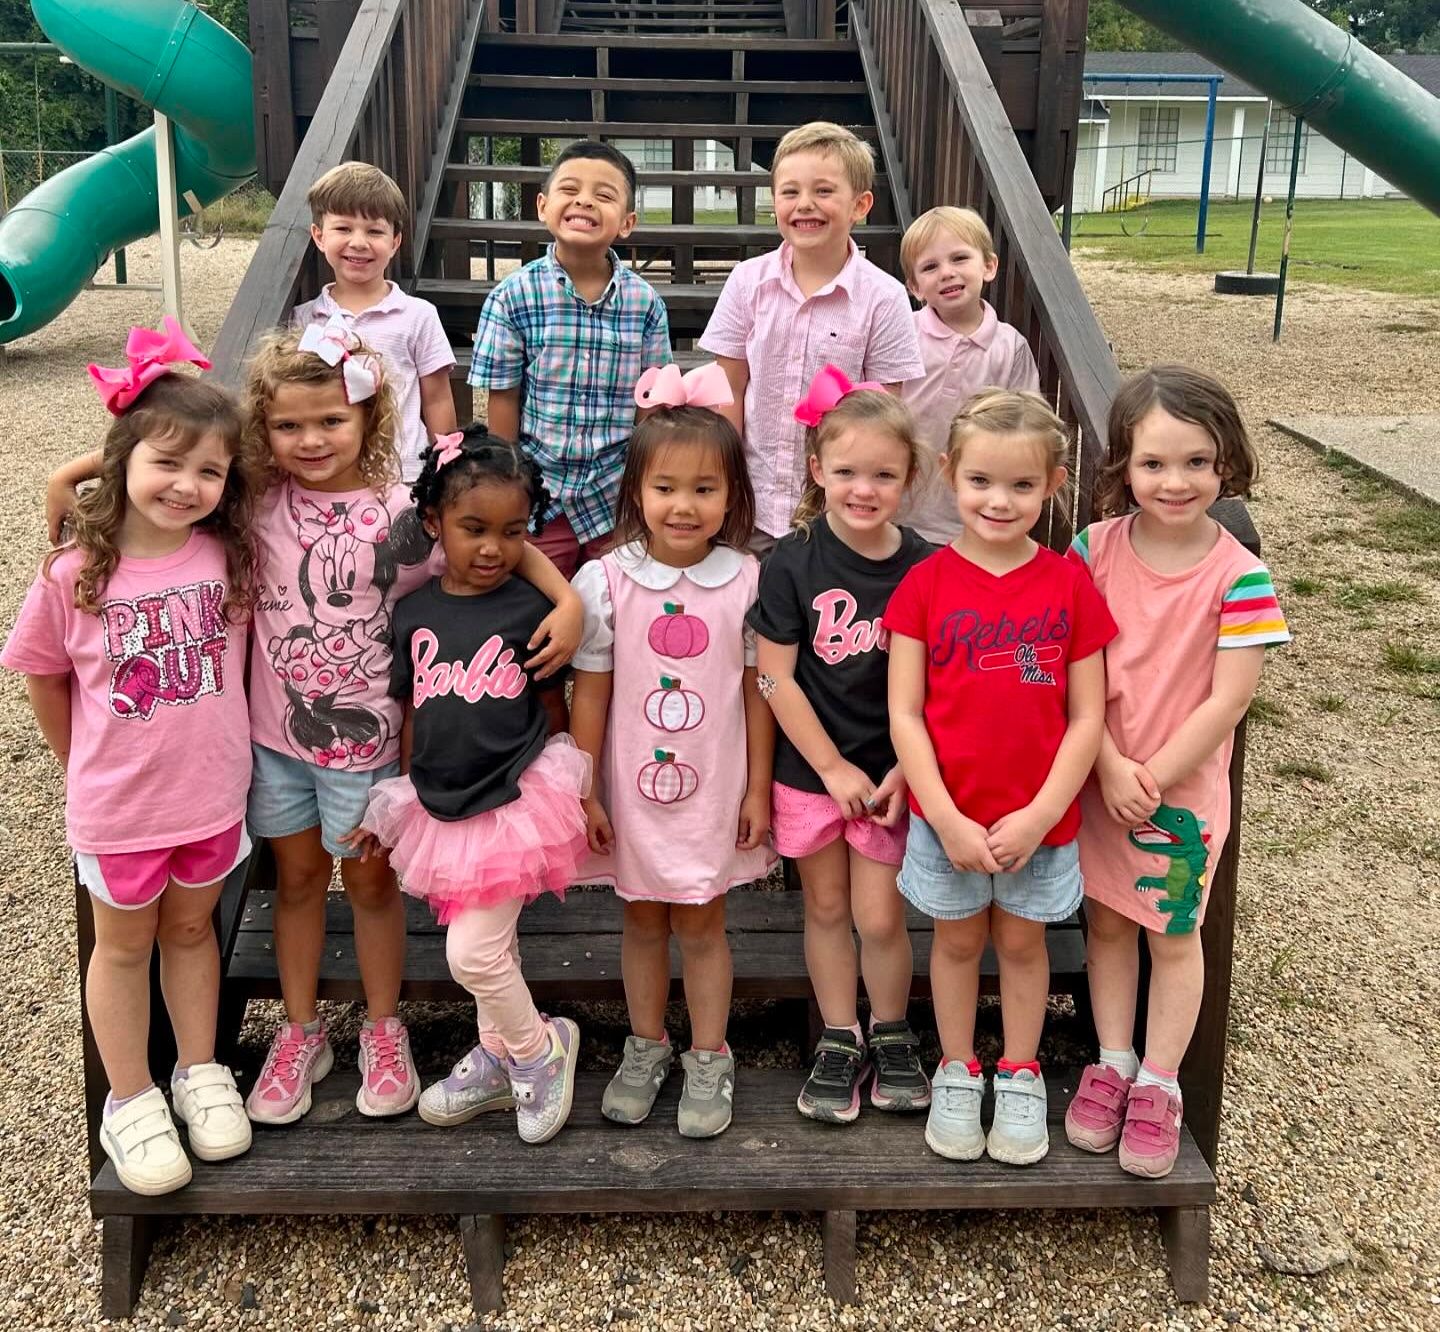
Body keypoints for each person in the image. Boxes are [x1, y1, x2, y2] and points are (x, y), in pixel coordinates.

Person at [3, 321, 258, 1194]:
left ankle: (197, 1067)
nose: (186, 484)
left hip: (213, 795)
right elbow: (40, 675)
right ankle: (130, 1096)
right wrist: (77, 760)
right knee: (121, 949)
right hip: (119, 806)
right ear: (123, 462)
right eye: (166, 462)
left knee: (192, 932)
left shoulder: (228, 556)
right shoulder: (74, 574)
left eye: (209, 470)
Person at [1064, 366, 1289, 1179]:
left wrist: (1149, 774)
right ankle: (1113, 1060)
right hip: (1098, 771)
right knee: (1109, 923)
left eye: (1196, 461)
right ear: (1122, 465)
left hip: (1180, 794)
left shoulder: (1240, 576)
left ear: (1226, 462)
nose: (1175, 480)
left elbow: (1228, 701)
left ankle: (1160, 1082)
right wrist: (1108, 764)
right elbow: (1069, 667)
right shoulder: (1091, 551)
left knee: (1175, 930)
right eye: (1155, 463)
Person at [885, 389, 1117, 1165]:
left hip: (1038, 823)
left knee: (1023, 948)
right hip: (945, 816)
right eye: (981, 480)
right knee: (953, 947)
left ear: (1053, 485)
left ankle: (1018, 1073)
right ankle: (957, 1068)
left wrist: (1043, 812)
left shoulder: (1068, 584)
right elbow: (906, 714)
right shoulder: (924, 585)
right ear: (950, 474)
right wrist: (945, 817)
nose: (999, 500)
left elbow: (1088, 717)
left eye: (1021, 485)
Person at [349, 428, 591, 1145]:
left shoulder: (527, 608)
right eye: (474, 529)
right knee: (494, 949)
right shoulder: (415, 613)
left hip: (517, 800)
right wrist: (392, 806)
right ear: (434, 524)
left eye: (513, 532)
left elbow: (552, 708)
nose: (493, 548)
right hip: (441, 804)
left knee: (472, 954)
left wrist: (568, 789)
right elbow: (415, 713)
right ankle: (497, 1053)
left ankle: (542, 1052)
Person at [569, 363, 776, 1139]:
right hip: (631, 790)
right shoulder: (606, 581)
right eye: (665, 488)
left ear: (731, 497)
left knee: (703, 923)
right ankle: (645, 1044)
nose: (683, 506)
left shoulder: (749, 581)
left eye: (703, 489)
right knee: (642, 922)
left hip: (714, 790)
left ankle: (709, 1053)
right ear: (637, 492)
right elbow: (590, 691)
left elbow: (760, 692)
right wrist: (583, 789)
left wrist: (758, 789)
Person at [748, 367, 934, 1123]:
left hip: (890, 773)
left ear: (908, 478)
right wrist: (829, 768)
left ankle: (892, 1032)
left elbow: (932, 691)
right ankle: (838, 1035)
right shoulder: (790, 563)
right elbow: (774, 679)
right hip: (808, 768)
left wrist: (894, 770)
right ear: (818, 468)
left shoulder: (923, 565)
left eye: (884, 474)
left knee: (881, 915)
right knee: (824, 908)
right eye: (848, 471)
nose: (864, 488)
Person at [698, 121, 923, 551]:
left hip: (836, 512)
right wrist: (724, 483)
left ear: (861, 204)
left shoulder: (885, 298)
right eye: (790, 192)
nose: (805, 205)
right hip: (752, 502)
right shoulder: (748, 282)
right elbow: (727, 391)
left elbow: (883, 413)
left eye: (823, 191)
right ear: (774, 201)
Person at [468, 140, 672, 577]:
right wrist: (508, 484)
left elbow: (650, 406)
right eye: (570, 189)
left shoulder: (645, 304)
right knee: (534, 603)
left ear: (628, 222)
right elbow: (503, 399)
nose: (584, 201)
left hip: (615, 496)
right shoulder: (513, 297)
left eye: (604, 195)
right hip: (541, 495)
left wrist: (645, 484)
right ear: (543, 206)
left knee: (617, 607)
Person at [293, 161, 457, 483]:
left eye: (374, 231)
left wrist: (445, 467)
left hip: (405, 473)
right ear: (319, 236)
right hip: (332, 478)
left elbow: (437, 398)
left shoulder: (418, 315)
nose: (358, 242)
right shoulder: (305, 318)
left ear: (395, 242)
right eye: (343, 228)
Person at [897, 206, 1039, 545]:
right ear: (915, 286)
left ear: (988, 266)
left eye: (960, 259)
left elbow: (1028, 423)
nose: (947, 273)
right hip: (900, 508)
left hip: (972, 514)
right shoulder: (903, 335)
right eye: (930, 267)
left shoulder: (1009, 346)